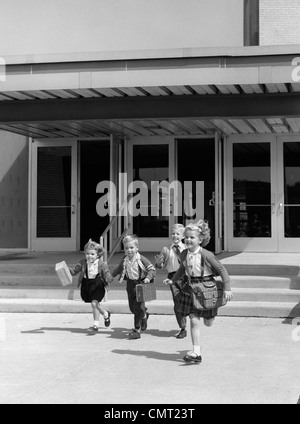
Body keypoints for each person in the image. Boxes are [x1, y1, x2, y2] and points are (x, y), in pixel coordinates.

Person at [164, 220, 233, 363]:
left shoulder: (207, 254)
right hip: (191, 288)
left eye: (192, 237)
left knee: (208, 322)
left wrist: (227, 288)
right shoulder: (184, 254)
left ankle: (210, 316)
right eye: (187, 237)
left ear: (200, 239)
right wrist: (173, 280)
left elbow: (222, 270)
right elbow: (182, 269)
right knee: (194, 320)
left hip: (207, 288)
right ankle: (196, 352)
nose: (188, 240)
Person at [111, 234, 156, 340]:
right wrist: (111, 276)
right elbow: (119, 268)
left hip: (140, 284)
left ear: (137, 248)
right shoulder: (125, 259)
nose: (129, 250)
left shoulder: (141, 259)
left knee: (138, 307)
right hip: (130, 285)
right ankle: (144, 316)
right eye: (126, 248)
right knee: (132, 308)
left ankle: (136, 329)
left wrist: (148, 278)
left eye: (131, 248)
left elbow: (152, 269)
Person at [68, 239, 112, 331]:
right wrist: (66, 269)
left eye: (92, 254)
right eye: (87, 254)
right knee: (96, 304)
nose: (89, 256)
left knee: (94, 303)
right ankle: (106, 314)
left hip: (98, 285)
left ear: (97, 255)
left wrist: (109, 278)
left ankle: (95, 325)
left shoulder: (102, 264)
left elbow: (107, 273)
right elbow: (74, 271)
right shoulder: (83, 263)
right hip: (87, 284)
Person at [154, 223, 187, 339]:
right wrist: (158, 263)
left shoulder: (186, 248)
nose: (175, 236)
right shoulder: (166, 249)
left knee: (187, 300)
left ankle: (190, 317)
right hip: (173, 277)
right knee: (177, 301)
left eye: (178, 234)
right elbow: (161, 264)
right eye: (173, 233)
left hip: (186, 277)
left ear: (183, 236)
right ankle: (183, 327)